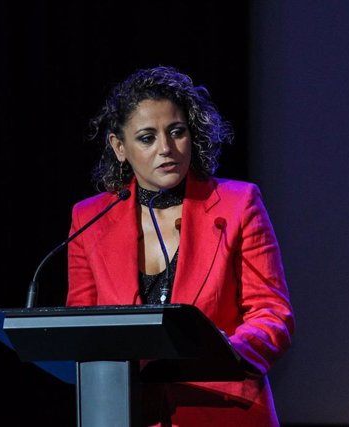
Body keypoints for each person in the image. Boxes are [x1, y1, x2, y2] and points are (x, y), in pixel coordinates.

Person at [66, 66, 294, 427]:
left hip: (223, 408)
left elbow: (272, 315)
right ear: (119, 147)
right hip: (125, 412)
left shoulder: (238, 204)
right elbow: (80, 327)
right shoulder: (89, 219)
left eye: (177, 132)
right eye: (146, 138)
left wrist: (224, 352)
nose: (166, 149)